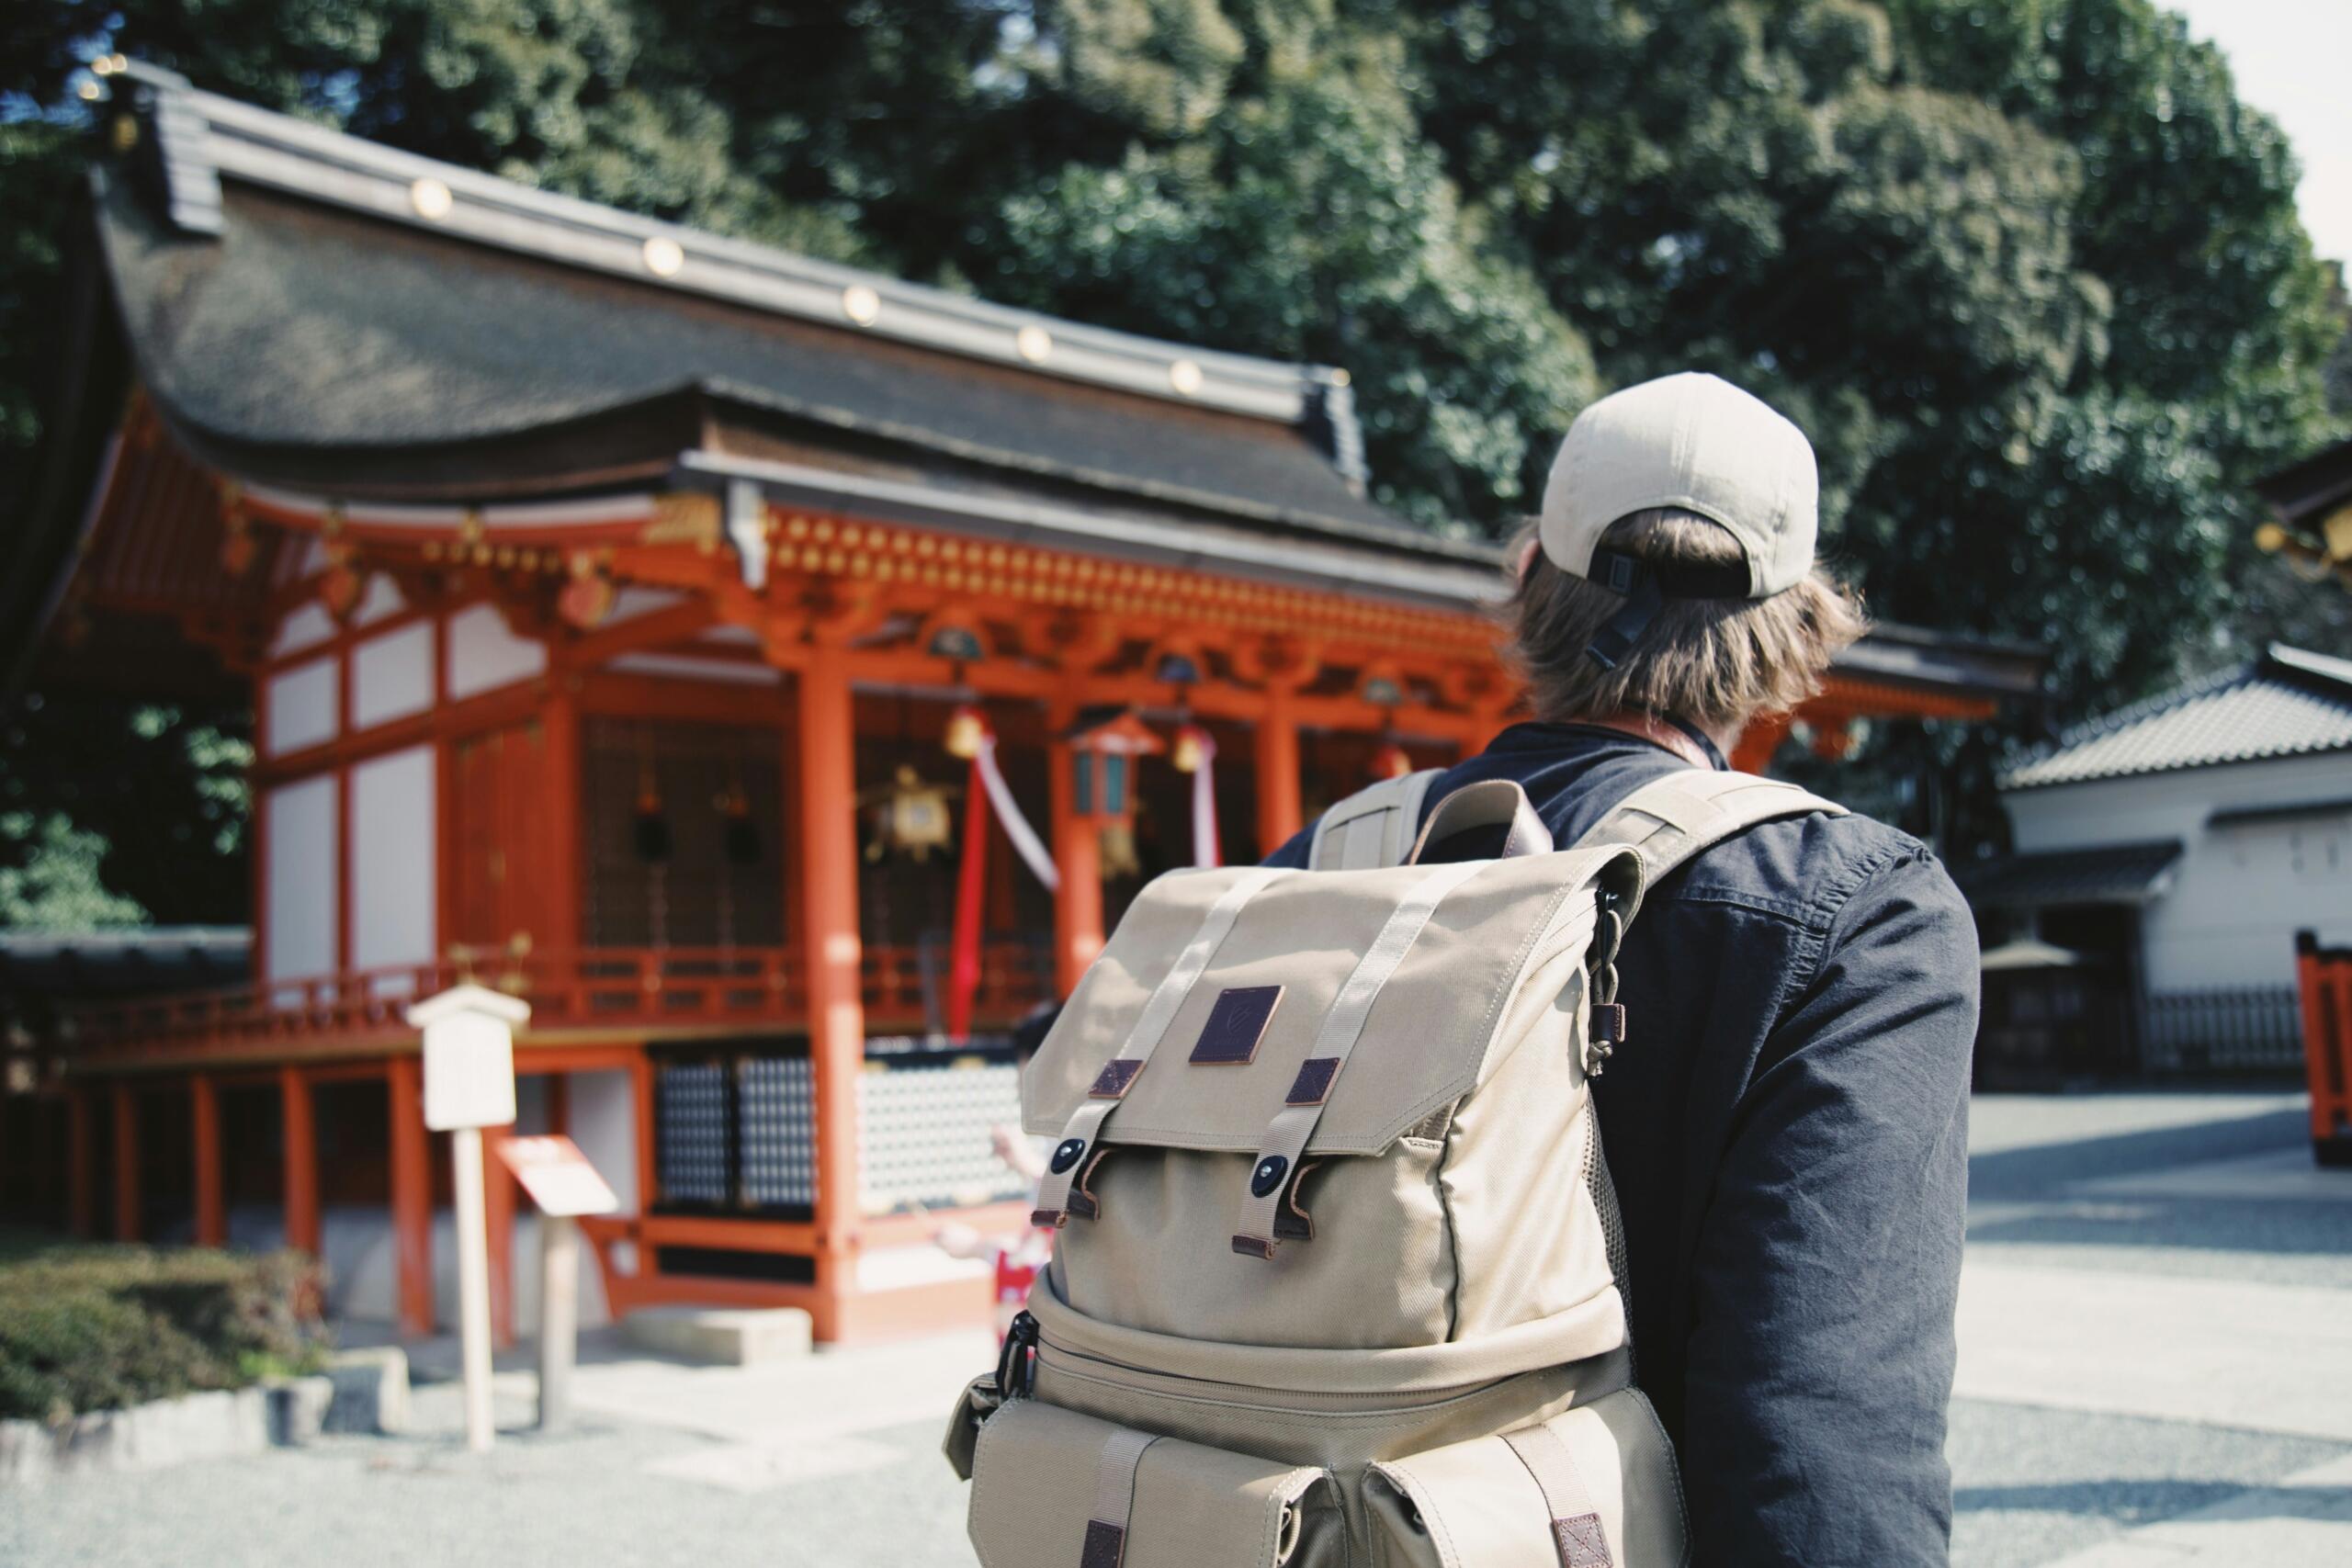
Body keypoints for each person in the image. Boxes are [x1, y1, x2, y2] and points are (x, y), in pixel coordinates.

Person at [1265, 372, 1979, 1565]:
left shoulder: (1325, 863)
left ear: (1531, 576)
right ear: (1802, 619)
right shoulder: (1861, 910)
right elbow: (1821, 1437)